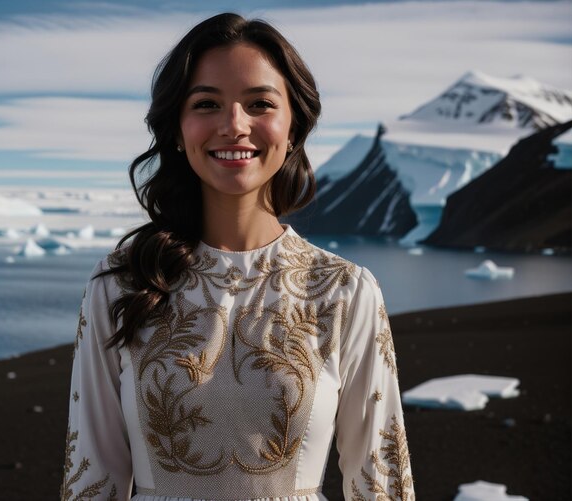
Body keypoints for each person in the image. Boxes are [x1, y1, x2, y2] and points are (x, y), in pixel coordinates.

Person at [61, 12, 415, 501]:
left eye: (259, 104)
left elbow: (382, 484)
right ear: (178, 130)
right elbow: (89, 480)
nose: (234, 125)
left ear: (293, 127)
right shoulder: (120, 284)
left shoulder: (344, 291)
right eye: (207, 103)